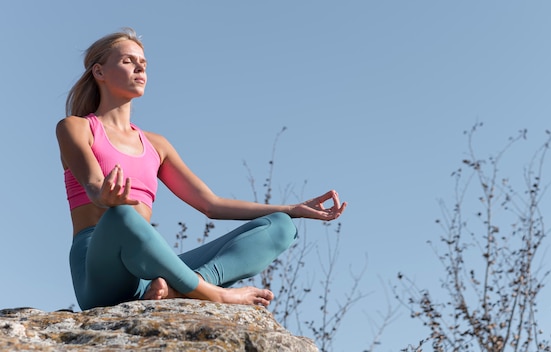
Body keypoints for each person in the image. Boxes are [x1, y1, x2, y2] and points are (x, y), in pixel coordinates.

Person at [56, 28, 347, 311]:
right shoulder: (76, 127)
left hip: (147, 277)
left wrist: (292, 208)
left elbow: (211, 205)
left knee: (281, 226)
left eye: (143, 63)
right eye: (128, 61)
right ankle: (215, 294)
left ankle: (182, 288)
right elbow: (94, 185)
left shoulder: (157, 145)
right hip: (98, 270)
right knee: (122, 215)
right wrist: (104, 197)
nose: (139, 68)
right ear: (99, 72)